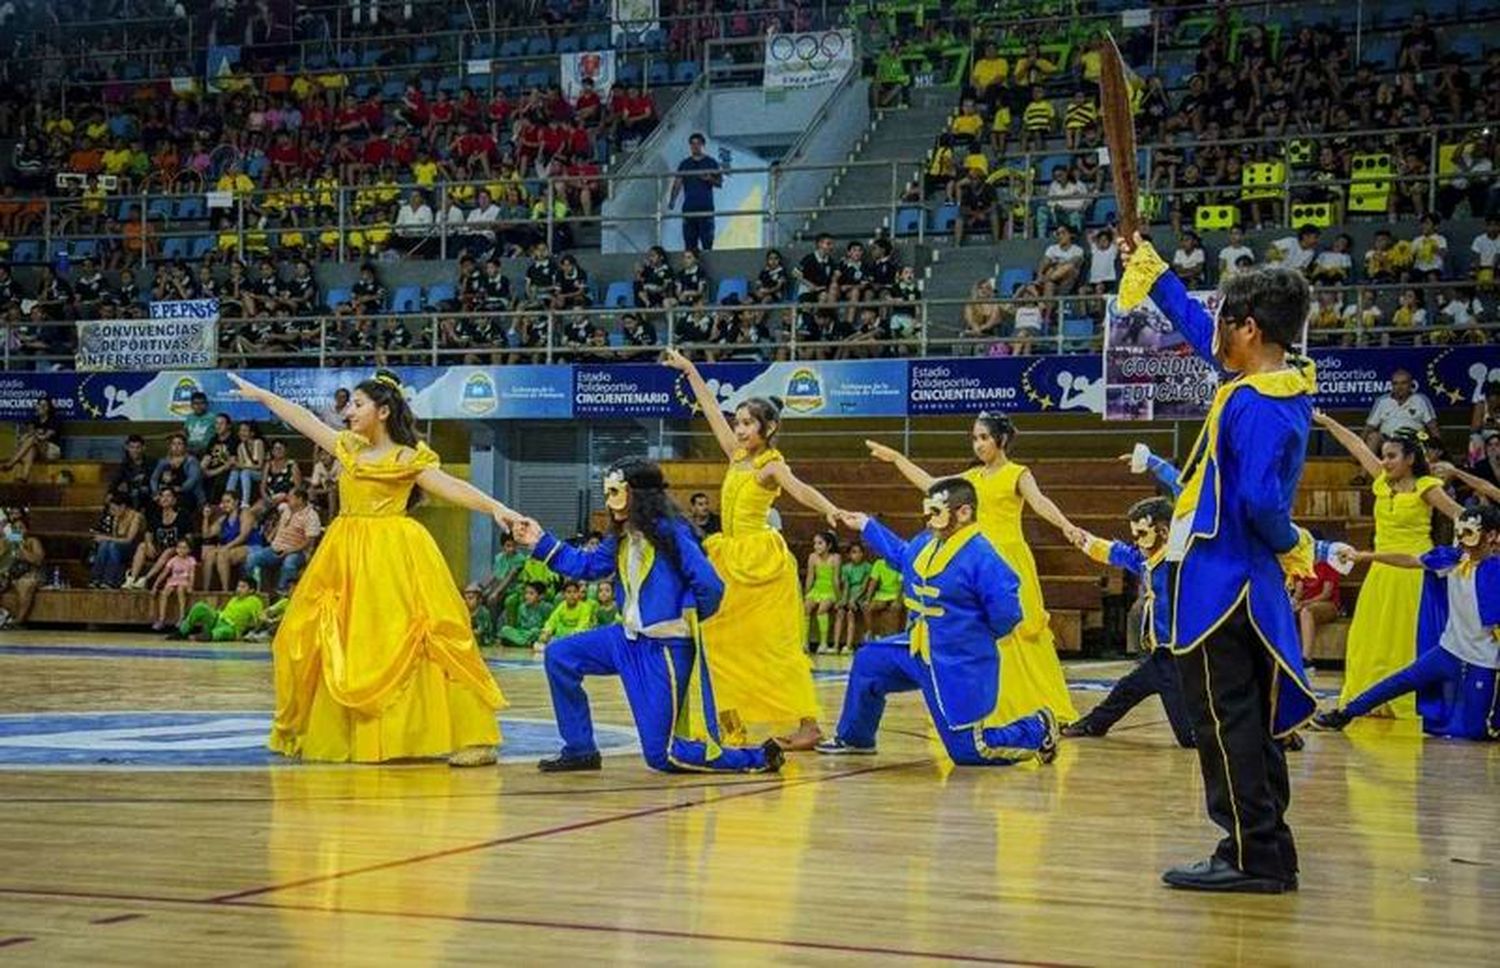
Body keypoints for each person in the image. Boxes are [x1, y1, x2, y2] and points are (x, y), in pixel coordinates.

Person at [1114, 231, 1318, 893]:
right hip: (1241, 581)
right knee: (1248, 719)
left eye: (1228, 321)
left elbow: (1260, 499)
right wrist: (1154, 272)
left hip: (1222, 583)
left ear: (1251, 329)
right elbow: (1202, 331)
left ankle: (1250, 853)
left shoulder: (1257, 403)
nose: (1218, 333)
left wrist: (1290, 541)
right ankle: (1270, 848)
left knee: (1224, 721)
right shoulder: (1272, 381)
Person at [227, 369, 517, 767]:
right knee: (324, 638)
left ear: (382, 411)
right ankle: (346, 734)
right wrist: (261, 394)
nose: (349, 412)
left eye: (358, 404)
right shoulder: (347, 447)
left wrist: (498, 509)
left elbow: (453, 487)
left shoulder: (408, 457)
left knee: (428, 636)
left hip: (394, 556)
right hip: (344, 553)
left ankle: (473, 737)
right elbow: (304, 420)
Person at [513, 457, 783, 774]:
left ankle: (758, 757)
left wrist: (686, 619)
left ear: (637, 494)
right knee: (560, 655)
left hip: (664, 651)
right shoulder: (622, 535)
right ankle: (581, 748)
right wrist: (539, 541)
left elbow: (710, 585)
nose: (610, 501)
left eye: (616, 491)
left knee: (662, 756)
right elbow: (588, 567)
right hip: (626, 640)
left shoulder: (672, 532)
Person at [662, 348, 842, 749]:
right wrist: (691, 370)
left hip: (760, 562)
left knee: (773, 645)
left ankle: (808, 723)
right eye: (739, 422)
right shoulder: (736, 455)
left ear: (770, 428)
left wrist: (830, 509)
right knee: (720, 640)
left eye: (748, 424)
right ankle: (731, 721)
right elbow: (709, 408)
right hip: (729, 556)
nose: (740, 430)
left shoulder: (771, 466)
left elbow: (801, 490)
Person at [816, 479, 1060, 765]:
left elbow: (1006, 613)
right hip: (918, 646)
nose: (929, 520)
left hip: (957, 660)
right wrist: (868, 526)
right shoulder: (927, 543)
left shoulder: (984, 557)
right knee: (870, 661)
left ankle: (1039, 727)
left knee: (970, 751)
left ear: (964, 513)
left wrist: (972, 639)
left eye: (935, 512)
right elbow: (901, 555)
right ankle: (855, 737)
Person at [866, 414, 1081, 725]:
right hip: (977, 561)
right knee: (983, 634)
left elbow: (1039, 501)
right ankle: (992, 708)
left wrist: (1066, 526)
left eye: (984, 438)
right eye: (975, 438)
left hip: (1009, 561)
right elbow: (932, 485)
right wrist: (897, 458)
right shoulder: (971, 478)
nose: (978, 444)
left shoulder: (1018, 473)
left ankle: (1038, 707)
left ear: (1001, 440)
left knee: (1019, 633)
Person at [1313, 413, 1463, 717]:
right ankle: (1369, 698)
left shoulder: (1426, 487)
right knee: (1369, 636)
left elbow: (1464, 516)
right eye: (1383, 456)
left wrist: (1459, 552)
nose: (1384, 462)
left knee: (1407, 638)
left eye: (1392, 456)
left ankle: (1406, 701)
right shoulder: (1381, 482)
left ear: (1410, 458)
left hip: (1414, 573)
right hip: (1381, 571)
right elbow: (1355, 444)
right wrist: (1325, 422)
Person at [1313, 505, 1500, 739]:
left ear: (1491, 535)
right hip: (1449, 649)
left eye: (1469, 532)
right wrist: (1365, 556)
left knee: (1477, 732)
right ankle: (1344, 714)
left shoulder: (1497, 571)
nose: (1461, 539)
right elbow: (1409, 560)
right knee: (1401, 680)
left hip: (1483, 659)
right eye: (1458, 532)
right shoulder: (1451, 560)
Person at [1061, 497, 1195, 748]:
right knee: (1127, 688)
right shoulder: (1146, 559)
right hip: (1160, 657)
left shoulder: (1181, 562)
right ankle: (1093, 723)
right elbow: (1118, 553)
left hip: (1181, 655)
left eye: (1142, 533)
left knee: (1190, 737)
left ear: (1164, 532)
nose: (1136, 540)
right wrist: (1085, 540)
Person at [245, 488, 322, 594]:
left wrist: (290, 551)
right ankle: (251, 588)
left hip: (297, 552)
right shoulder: (286, 509)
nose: (287, 499)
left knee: (289, 563)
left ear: (300, 500)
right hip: (275, 548)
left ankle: (283, 592)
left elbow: (309, 541)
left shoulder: (311, 516)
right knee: (252, 558)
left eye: (291, 497)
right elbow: (280, 523)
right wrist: (272, 535)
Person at [1364, 369, 1442, 454]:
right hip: (1388, 441)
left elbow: (1433, 427)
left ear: (1411, 384)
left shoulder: (1421, 399)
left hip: (1413, 441)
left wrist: (1439, 448)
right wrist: (1356, 449)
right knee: (1373, 437)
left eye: (1403, 383)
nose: (1399, 387)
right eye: (1395, 383)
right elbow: (1369, 427)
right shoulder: (1382, 401)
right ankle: (1367, 467)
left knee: (1423, 443)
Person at [668, 132, 722, 251]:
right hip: (689, 208)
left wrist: (709, 179)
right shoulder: (685, 164)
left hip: (706, 208)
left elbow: (719, 183)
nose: (695, 146)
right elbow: (677, 183)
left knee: (707, 243)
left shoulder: (711, 162)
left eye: (698, 144)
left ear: (703, 145)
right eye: (692, 144)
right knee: (689, 244)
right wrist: (672, 200)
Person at [172, 577, 266, 642]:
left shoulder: (255, 601)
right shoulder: (234, 598)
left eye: (243, 587)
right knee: (200, 606)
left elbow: (259, 619)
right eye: (238, 586)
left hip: (232, 628)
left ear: (251, 590)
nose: (239, 589)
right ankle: (181, 632)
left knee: (223, 631)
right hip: (217, 619)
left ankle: (203, 637)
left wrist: (251, 634)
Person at [0, 512, 45, 629]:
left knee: (26, 584)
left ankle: (18, 621)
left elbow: (38, 560)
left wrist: (21, 549)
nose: (18, 531)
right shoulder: (5, 542)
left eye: (21, 528)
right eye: (15, 528)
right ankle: (4, 615)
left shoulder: (33, 541)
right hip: (9, 574)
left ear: (27, 530)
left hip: (29, 573)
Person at [3, 398, 61, 483]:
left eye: (44, 405)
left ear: (48, 408)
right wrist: (27, 436)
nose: (41, 407)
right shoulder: (34, 420)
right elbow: (29, 434)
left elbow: (44, 437)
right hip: (37, 449)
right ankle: (24, 477)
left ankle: (12, 462)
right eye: (40, 405)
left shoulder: (54, 420)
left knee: (33, 440)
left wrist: (32, 435)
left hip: (51, 450)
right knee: (31, 449)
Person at [803, 531, 841, 654]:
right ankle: (804, 642)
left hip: (829, 589)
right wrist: (806, 594)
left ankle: (823, 643)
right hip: (817, 588)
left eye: (820, 543)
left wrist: (839, 598)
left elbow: (836, 579)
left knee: (821, 609)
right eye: (815, 543)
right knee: (806, 608)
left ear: (829, 545)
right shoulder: (812, 557)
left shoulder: (835, 558)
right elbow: (810, 577)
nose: (816, 546)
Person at [535, 579, 597, 652]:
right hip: (560, 636)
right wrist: (546, 632)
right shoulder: (561, 606)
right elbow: (552, 621)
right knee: (541, 641)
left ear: (579, 594)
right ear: (564, 595)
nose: (572, 595)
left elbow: (582, 625)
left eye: (575, 592)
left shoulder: (585, 607)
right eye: (568, 592)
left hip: (575, 637)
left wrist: (571, 635)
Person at [151, 538, 198, 632]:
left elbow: (192, 574)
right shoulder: (173, 560)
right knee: (164, 593)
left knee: (180, 590)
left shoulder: (191, 560)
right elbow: (164, 573)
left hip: (184, 581)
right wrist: (155, 585)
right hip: (173, 581)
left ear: (189, 550)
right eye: (179, 547)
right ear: (176, 549)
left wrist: (190, 586)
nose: (181, 550)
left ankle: (182, 617)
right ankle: (161, 619)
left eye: (184, 548)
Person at [835, 541, 873, 654]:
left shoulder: (867, 567)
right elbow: (846, 586)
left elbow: (864, 587)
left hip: (860, 595)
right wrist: (844, 599)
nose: (857, 555)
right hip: (850, 594)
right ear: (849, 555)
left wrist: (854, 600)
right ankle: (836, 645)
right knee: (840, 612)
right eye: (854, 552)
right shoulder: (846, 568)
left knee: (850, 613)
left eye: (859, 552)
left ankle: (848, 645)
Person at [498, 581, 550, 648]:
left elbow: (547, 626)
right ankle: (526, 643)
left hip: (536, 633)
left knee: (535, 631)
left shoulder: (546, 608)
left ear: (541, 596)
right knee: (505, 629)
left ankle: (519, 643)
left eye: (531, 594)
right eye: (526, 593)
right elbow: (519, 626)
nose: (527, 596)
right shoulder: (522, 608)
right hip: (523, 633)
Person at [463, 584, 496, 650]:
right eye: (466, 599)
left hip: (483, 639)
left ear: (479, 600)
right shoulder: (464, 610)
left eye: (471, 598)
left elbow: (481, 630)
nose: (467, 601)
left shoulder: (483, 612)